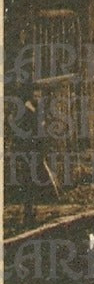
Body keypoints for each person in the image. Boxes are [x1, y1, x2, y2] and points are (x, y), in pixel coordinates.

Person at [9, 82, 47, 227]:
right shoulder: (25, 112)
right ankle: (27, 214)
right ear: (30, 96)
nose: (38, 98)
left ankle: (31, 213)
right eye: (36, 95)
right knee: (27, 183)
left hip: (35, 152)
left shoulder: (37, 110)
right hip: (27, 152)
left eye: (40, 96)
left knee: (33, 182)